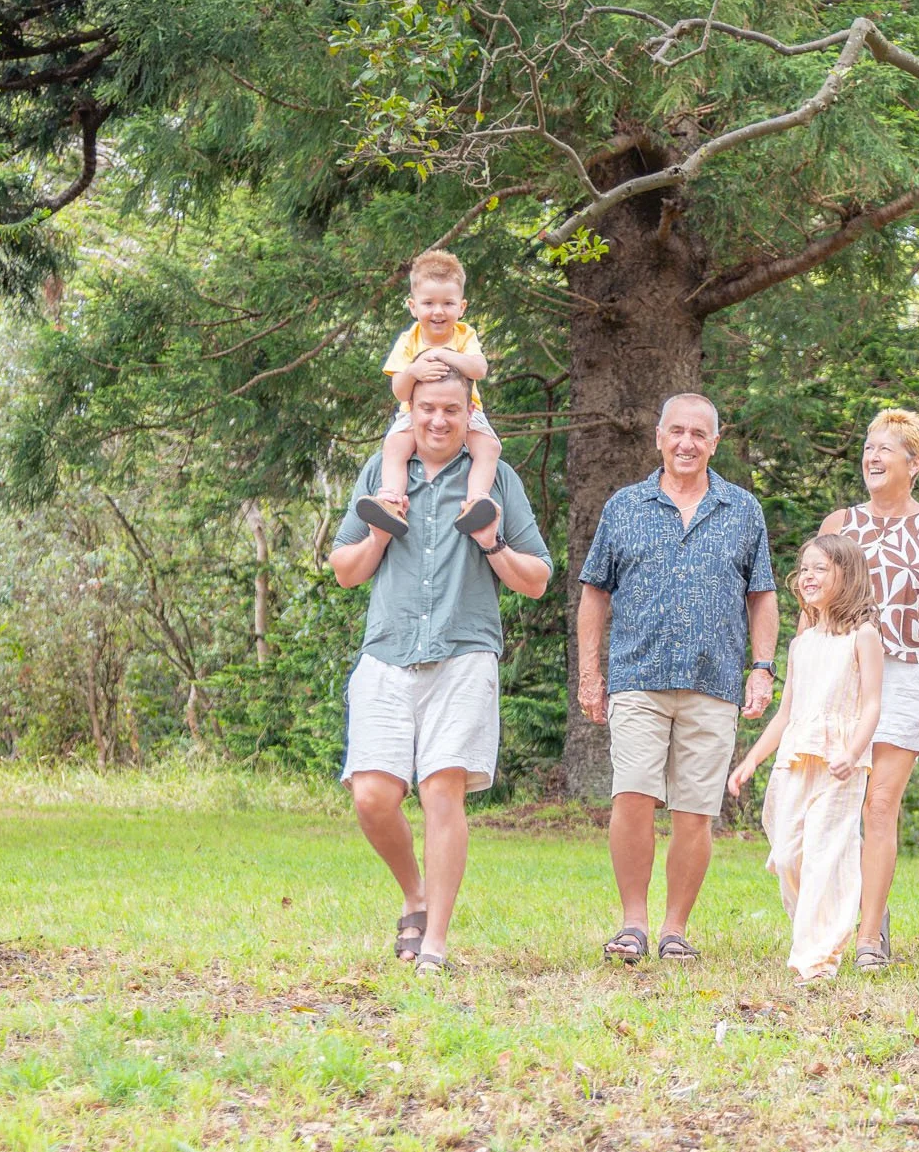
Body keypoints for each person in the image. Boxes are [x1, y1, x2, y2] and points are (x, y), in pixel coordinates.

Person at [329, 370, 553, 973]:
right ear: (410, 409)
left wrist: (492, 544)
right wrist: (376, 537)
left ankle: (435, 944)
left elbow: (538, 579)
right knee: (373, 795)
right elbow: (344, 569)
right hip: (387, 651)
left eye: (451, 410)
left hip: (463, 651)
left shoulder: (496, 479)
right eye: (427, 408)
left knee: (440, 792)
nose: (438, 420)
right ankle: (414, 893)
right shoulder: (381, 473)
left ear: (468, 413)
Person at [578, 393, 780, 963]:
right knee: (633, 797)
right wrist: (591, 674)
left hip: (713, 681)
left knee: (696, 811)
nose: (687, 443)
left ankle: (673, 929)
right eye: (677, 432)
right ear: (659, 437)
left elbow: (762, 596)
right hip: (637, 676)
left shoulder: (742, 509)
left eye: (699, 433)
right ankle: (633, 924)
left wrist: (762, 670)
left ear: (715, 442)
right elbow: (594, 593)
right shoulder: (624, 506)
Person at [818, 409, 919, 971]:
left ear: (914, 463)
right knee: (838, 801)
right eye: (867, 446)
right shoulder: (840, 524)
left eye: (886, 449)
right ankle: (830, 917)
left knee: (881, 804)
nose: (871, 457)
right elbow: (815, 602)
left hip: (906, 675)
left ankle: (870, 933)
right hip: (844, 674)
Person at [728, 536, 884, 983]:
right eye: (805, 569)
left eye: (821, 569)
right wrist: (752, 759)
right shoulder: (802, 644)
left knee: (826, 852)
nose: (808, 577)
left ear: (847, 576)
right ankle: (812, 929)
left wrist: (853, 753)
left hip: (840, 759)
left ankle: (815, 957)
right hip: (796, 756)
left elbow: (872, 704)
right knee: (788, 853)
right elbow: (788, 713)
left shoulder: (864, 637)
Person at [354, 249, 498, 542]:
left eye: (448, 303)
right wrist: (414, 370)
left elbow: (479, 368)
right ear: (412, 306)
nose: (438, 312)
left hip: (466, 412)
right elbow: (400, 391)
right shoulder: (409, 340)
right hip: (415, 413)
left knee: (489, 448)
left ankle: (475, 502)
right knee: (395, 446)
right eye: (428, 303)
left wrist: (442, 353)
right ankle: (392, 501)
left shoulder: (464, 335)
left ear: (462, 306)